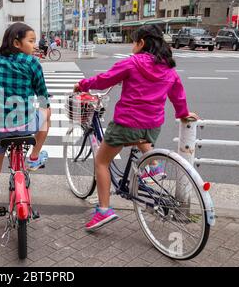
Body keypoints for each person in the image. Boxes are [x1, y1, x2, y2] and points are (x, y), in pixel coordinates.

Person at [73, 24, 199, 231]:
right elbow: (178, 95)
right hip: (152, 126)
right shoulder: (168, 68)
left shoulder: (131, 64)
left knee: (101, 162)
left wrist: (83, 84)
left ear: (141, 43)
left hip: (127, 123)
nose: (133, 45)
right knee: (142, 140)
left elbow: (104, 80)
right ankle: (155, 167)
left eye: (134, 41)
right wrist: (183, 113)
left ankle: (104, 210)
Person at [0, 23, 52, 231]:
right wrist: (44, 106)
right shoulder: (31, 63)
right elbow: (42, 94)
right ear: (17, 43)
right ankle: (34, 156)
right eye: (31, 40)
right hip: (25, 126)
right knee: (47, 114)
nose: (34, 45)